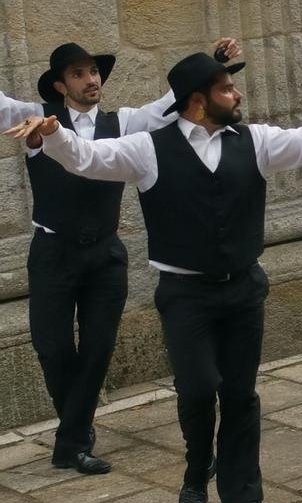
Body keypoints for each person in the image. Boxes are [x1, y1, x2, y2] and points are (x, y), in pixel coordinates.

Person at [9, 51, 302, 503]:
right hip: (184, 294)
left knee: (240, 394)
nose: (236, 95)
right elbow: (90, 158)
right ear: (197, 101)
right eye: (225, 89)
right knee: (198, 389)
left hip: (243, 289)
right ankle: (198, 466)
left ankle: (243, 497)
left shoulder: (254, 141)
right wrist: (54, 135)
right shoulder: (148, 148)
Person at [0, 42, 191, 474]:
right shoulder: (37, 118)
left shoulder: (121, 122)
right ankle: (76, 433)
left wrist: (212, 64)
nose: (91, 80)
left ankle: (71, 443)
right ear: (60, 85)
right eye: (79, 74)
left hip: (104, 253)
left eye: (94, 72)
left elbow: (167, 106)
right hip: (52, 252)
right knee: (51, 346)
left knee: (98, 347)